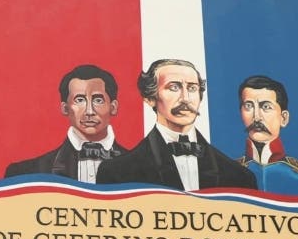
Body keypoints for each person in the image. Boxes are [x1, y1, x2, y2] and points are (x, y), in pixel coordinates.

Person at [97, 59, 256, 190]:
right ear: (150, 98)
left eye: (192, 88)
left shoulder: (240, 177)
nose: (185, 98)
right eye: (174, 87)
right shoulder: (116, 173)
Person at [5, 64, 127, 182]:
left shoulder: (138, 168)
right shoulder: (24, 174)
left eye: (98, 100)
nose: (89, 111)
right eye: (79, 100)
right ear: (65, 108)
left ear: (113, 107)